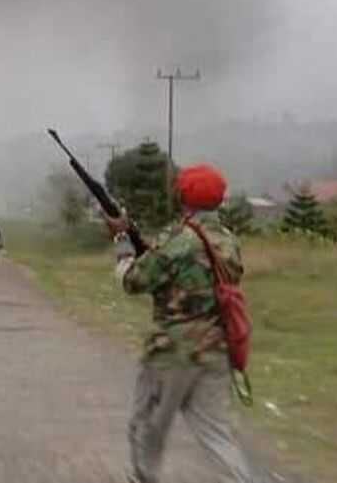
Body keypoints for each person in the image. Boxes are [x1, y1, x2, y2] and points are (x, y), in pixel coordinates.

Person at [104, 164, 257, 483]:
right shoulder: (227, 240)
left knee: (147, 425)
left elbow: (134, 281)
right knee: (217, 434)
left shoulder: (179, 237)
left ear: (182, 195)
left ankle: (145, 478)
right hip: (215, 350)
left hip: (172, 353)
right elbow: (187, 272)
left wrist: (121, 240)